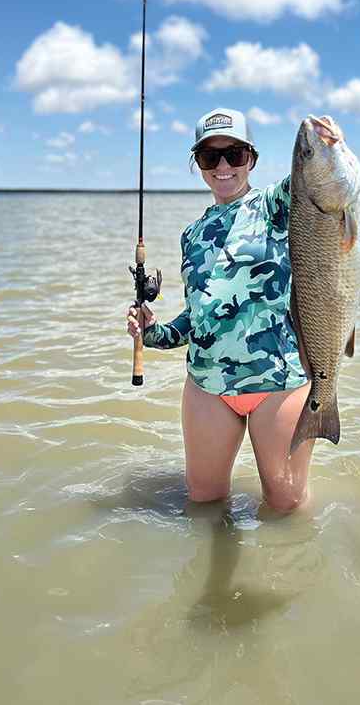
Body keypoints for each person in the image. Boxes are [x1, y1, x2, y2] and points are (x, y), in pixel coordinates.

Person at [127, 107, 317, 513]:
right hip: (207, 388)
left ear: (252, 158)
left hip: (278, 383)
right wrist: (154, 331)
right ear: (198, 164)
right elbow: (197, 317)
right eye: (210, 157)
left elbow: (316, 177)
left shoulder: (276, 205)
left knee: (287, 507)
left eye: (234, 154)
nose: (223, 166)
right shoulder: (192, 235)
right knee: (204, 503)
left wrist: (322, 138)